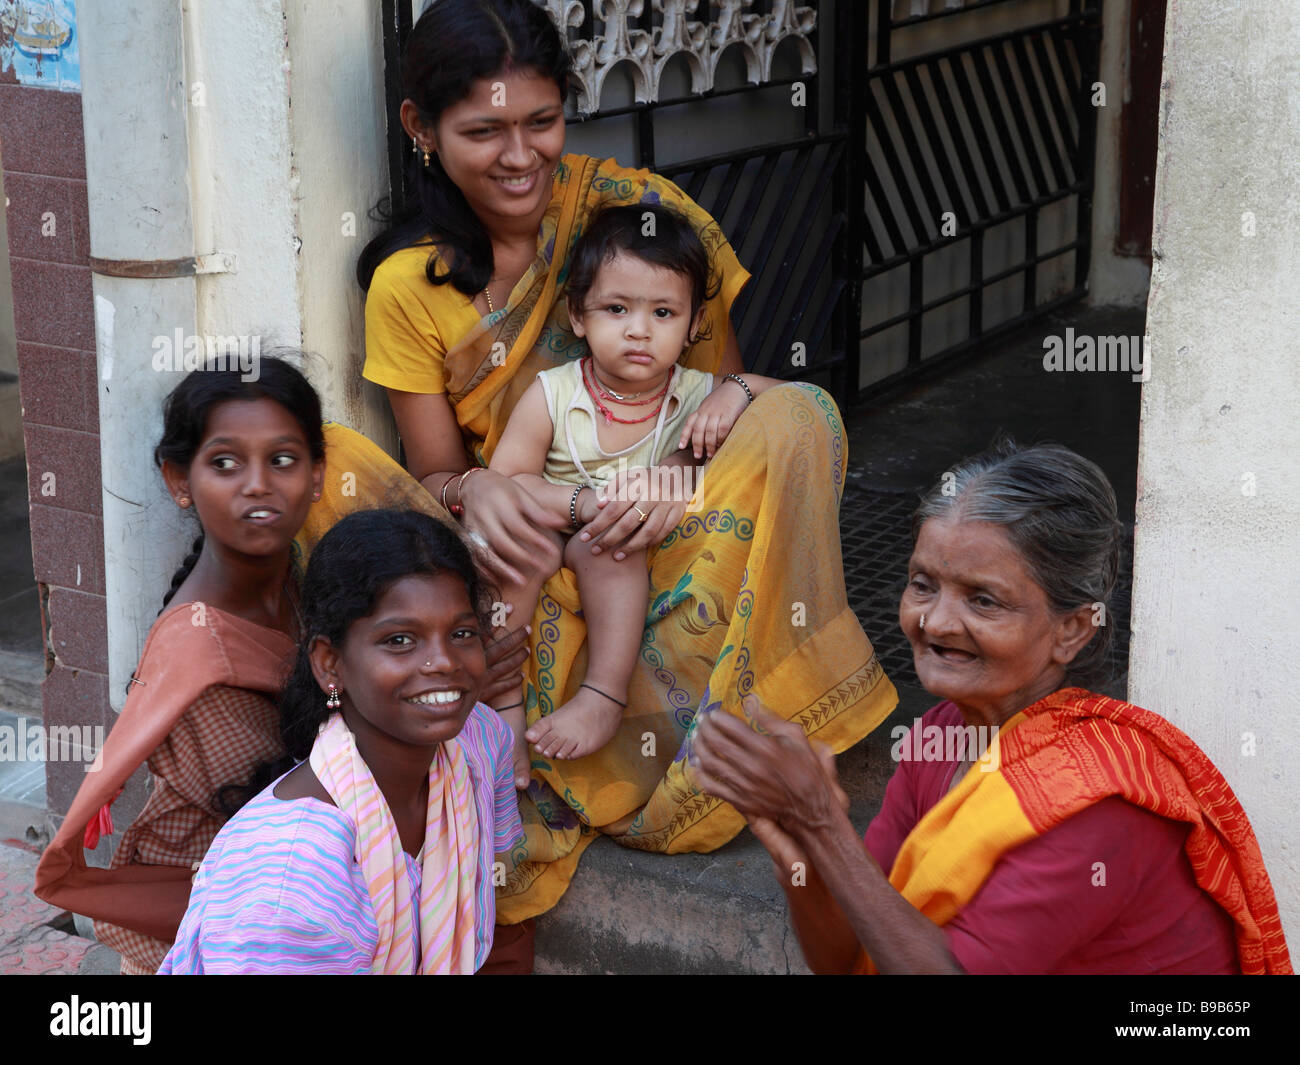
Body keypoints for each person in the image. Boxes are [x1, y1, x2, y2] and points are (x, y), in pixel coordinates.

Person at [344, 0, 897, 931]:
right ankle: (533, 725)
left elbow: (716, 403)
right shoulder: (411, 286)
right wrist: (483, 489)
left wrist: (673, 479)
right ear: (421, 130)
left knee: (796, 411)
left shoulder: (642, 218)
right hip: (529, 538)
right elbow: (435, 474)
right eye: (483, 131)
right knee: (334, 466)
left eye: (541, 122)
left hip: (670, 520)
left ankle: (713, 723)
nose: (520, 156)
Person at [693, 440, 1292, 975]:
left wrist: (826, 827)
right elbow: (855, 954)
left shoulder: (1093, 800)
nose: (935, 621)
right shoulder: (942, 735)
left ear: (1072, 630)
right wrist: (803, 855)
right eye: (923, 583)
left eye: (983, 601)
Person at [33, 357, 326, 974]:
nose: (257, 484)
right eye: (224, 462)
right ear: (178, 480)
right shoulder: (199, 658)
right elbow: (292, 806)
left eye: (283, 459)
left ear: (319, 475)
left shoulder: (299, 585)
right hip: (206, 915)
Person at [160, 509, 523, 974]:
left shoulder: (480, 743)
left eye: (461, 633)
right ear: (330, 664)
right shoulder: (287, 886)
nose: (444, 661)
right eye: (400, 640)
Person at [489, 203, 782, 768]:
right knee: (512, 548)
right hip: (557, 527)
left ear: (697, 323)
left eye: (664, 313)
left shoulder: (698, 394)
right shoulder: (554, 393)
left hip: (631, 549)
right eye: (616, 308)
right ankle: (503, 712)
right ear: (578, 315)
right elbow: (507, 483)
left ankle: (602, 696)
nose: (638, 330)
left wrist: (738, 389)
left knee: (613, 547)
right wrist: (591, 504)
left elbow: (796, 405)